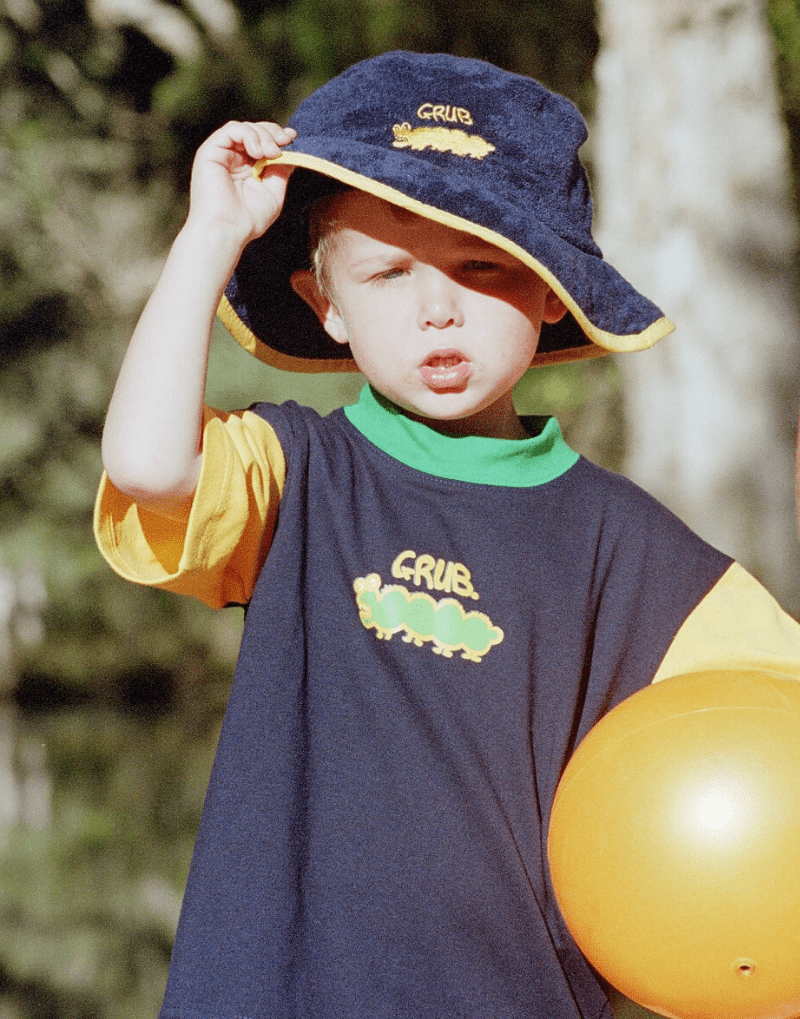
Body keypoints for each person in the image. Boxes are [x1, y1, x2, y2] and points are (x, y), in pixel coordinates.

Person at [95, 51, 800, 1019]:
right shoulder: (297, 475)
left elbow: (775, 721)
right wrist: (207, 239)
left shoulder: (626, 550)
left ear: (554, 289)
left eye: (482, 267)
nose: (437, 309)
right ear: (325, 306)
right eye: (386, 272)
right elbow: (146, 466)